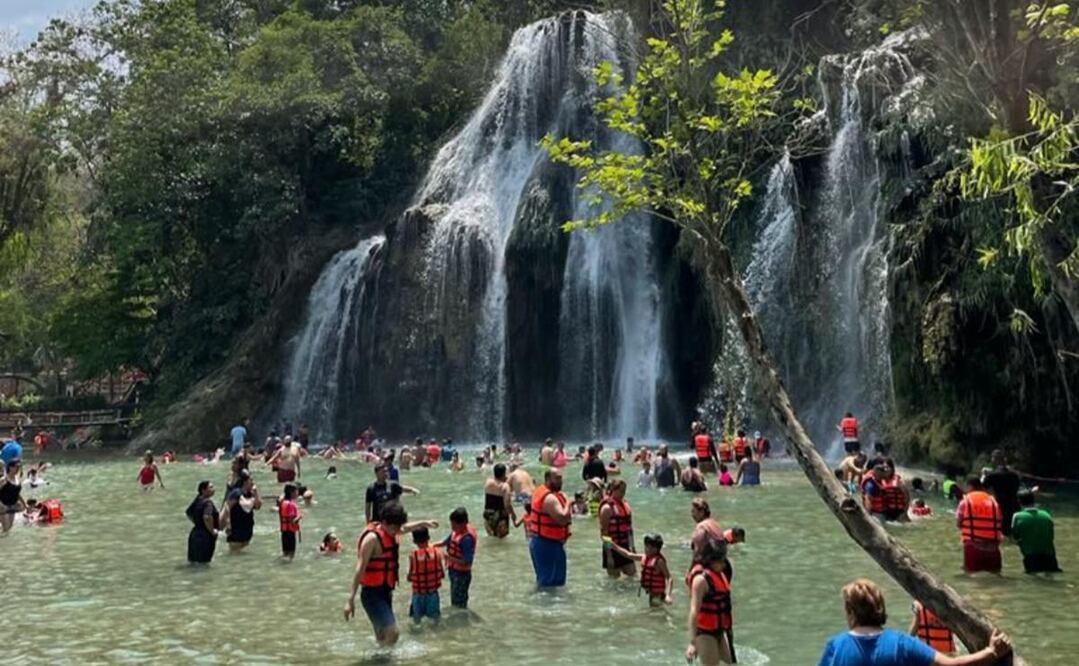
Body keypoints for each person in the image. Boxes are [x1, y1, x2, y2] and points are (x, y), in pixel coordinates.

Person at [818, 578, 1011, 665]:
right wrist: (991, 652)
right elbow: (953, 665)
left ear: (850, 611)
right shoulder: (901, 643)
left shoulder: (835, 647)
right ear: (880, 606)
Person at [344, 502, 438, 646]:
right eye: (394, 528)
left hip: (386, 591)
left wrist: (424, 523)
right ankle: (382, 659)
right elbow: (360, 568)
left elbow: (406, 528)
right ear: (384, 523)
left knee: (382, 636)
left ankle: (382, 660)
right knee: (393, 633)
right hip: (371, 595)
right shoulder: (372, 539)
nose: (396, 532)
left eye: (398, 528)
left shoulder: (393, 529)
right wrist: (350, 600)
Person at [685, 538, 734, 665]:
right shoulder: (701, 580)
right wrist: (692, 642)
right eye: (721, 560)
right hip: (704, 633)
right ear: (710, 560)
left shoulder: (719, 575)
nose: (724, 564)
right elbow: (694, 611)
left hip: (719, 631)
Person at [529, 468, 572, 587]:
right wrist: (568, 502)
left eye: (561, 478)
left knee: (555, 582)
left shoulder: (542, 492)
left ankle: (553, 605)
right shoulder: (549, 498)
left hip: (546, 542)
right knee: (548, 583)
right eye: (557, 478)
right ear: (548, 479)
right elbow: (562, 518)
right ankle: (546, 605)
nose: (560, 481)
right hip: (546, 543)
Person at [606, 533, 673, 606]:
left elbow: (669, 578)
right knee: (653, 612)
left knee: (655, 612)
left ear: (656, 549)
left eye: (650, 548)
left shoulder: (659, 561)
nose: (647, 549)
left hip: (658, 594)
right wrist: (612, 545)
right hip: (650, 593)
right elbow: (627, 554)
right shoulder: (644, 557)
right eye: (646, 547)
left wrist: (668, 595)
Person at [955, 477, 1003, 573]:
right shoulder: (993, 501)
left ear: (970, 486)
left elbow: (958, 524)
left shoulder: (965, 501)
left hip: (973, 546)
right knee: (996, 576)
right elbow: (999, 522)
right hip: (993, 547)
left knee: (972, 578)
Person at [1011, 489, 1061, 573]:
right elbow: (1051, 535)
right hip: (1050, 556)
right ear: (1033, 500)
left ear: (1019, 501)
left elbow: (1015, 536)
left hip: (1031, 556)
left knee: (1033, 581)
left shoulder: (1017, 516)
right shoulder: (1046, 514)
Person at [439, 507, 477, 609]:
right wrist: (429, 546)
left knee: (459, 604)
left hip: (462, 575)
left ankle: (462, 620)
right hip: (454, 571)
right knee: (454, 600)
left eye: (454, 525)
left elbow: (467, 561)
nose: (452, 527)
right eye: (452, 524)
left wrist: (449, 558)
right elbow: (444, 543)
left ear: (463, 524)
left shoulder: (467, 539)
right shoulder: (456, 532)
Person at [599, 479, 635, 578]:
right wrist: (609, 556)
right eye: (621, 491)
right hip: (612, 549)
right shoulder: (606, 508)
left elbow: (630, 530)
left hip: (625, 547)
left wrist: (633, 547)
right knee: (614, 582)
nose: (623, 493)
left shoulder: (626, 505)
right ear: (613, 490)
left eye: (624, 491)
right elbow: (604, 533)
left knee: (633, 576)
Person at [407, 527, 444, 624]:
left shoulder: (413, 556)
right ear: (429, 538)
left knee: (417, 620)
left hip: (418, 594)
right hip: (433, 594)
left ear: (414, 541)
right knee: (435, 620)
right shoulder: (438, 553)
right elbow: (442, 574)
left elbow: (410, 576)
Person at [981, 449, 1020, 537]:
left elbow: (981, 488)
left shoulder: (992, 476)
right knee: (1012, 533)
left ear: (994, 460)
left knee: (1002, 533)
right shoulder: (1014, 475)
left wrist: (983, 474)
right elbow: (1017, 488)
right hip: (1014, 505)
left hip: (1001, 506)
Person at [223, 471, 261, 552]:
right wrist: (228, 524)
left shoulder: (251, 494)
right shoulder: (236, 493)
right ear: (245, 482)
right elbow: (227, 506)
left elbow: (258, 507)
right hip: (236, 528)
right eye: (251, 480)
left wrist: (256, 494)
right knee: (234, 552)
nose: (253, 482)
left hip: (247, 528)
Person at [185, 480, 219, 564]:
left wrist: (197, 522)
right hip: (205, 536)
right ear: (203, 490)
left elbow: (188, 512)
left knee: (193, 563)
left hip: (195, 535)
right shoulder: (208, 503)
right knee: (204, 564)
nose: (213, 489)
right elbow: (207, 517)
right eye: (211, 487)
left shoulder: (197, 499)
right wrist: (212, 531)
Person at [483, 463, 515, 538]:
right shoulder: (505, 486)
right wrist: (513, 514)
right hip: (500, 516)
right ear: (504, 473)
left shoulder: (488, 482)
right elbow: (507, 504)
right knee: (502, 540)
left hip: (488, 514)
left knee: (491, 538)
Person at [0, 461, 26, 533]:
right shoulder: (4, 480)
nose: (18, 469)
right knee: (6, 529)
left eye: (19, 467)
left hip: (12, 506)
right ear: (10, 467)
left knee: (10, 528)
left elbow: (17, 494)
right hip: (2, 507)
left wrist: (24, 504)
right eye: (16, 467)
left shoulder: (18, 479)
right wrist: (1, 504)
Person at [279, 483, 302, 560]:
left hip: (284, 532)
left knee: (285, 553)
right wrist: (299, 516)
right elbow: (293, 521)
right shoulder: (291, 504)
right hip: (290, 533)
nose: (297, 493)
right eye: (296, 491)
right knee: (291, 555)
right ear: (291, 492)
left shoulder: (283, 502)